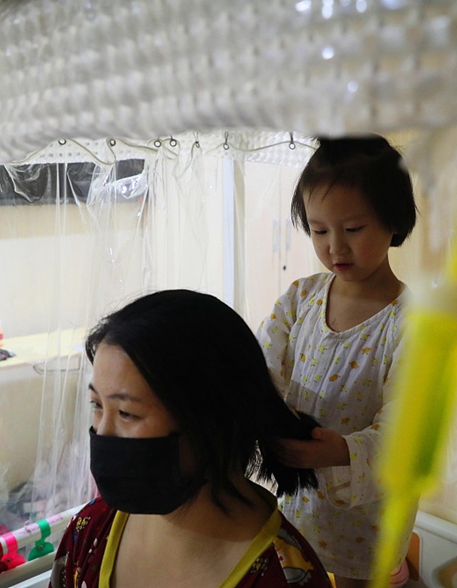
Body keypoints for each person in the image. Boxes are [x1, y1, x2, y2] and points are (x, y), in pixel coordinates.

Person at [50, 290, 333, 588]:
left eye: (126, 413)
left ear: (213, 421)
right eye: (97, 405)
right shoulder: (92, 529)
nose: (103, 433)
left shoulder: (286, 577)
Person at [256, 135, 418, 588]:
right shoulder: (301, 297)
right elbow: (261, 367)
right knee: (296, 570)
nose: (335, 248)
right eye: (319, 231)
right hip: (301, 500)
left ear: (393, 221)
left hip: (369, 516)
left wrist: (340, 451)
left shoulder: (410, 322)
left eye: (353, 229)